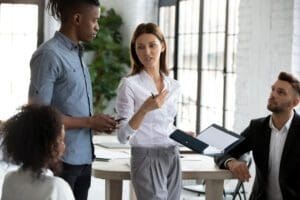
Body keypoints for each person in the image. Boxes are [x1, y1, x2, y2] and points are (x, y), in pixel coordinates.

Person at [28, 0, 118, 199]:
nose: (98, 27)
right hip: (61, 161)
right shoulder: (49, 55)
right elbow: (39, 117)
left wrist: (96, 123)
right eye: (95, 20)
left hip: (83, 157)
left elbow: (72, 106)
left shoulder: (77, 54)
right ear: (77, 19)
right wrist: (88, 122)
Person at [115, 23, 194, 200]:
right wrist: (144, 109)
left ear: (163, 46)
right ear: (135, 51)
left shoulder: (174, 86)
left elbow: (165, 126)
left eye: (152, 45)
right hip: (145, 156)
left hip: (172, 154)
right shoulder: (129, 85)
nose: (147, 52)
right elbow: (122, 137)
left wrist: (182, 135)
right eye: (140, 47)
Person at [215, 71, 300, 200]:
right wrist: (231, 162)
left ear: (294, 103)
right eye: (273, 90)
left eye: (281, 92)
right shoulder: (257, 127)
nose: (273, 95)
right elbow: (223, 150)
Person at [1, 104, 74, 200]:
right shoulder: (57, 187)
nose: (64, 145)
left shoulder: (9, 179)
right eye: (60, 140)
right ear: (48, 145)